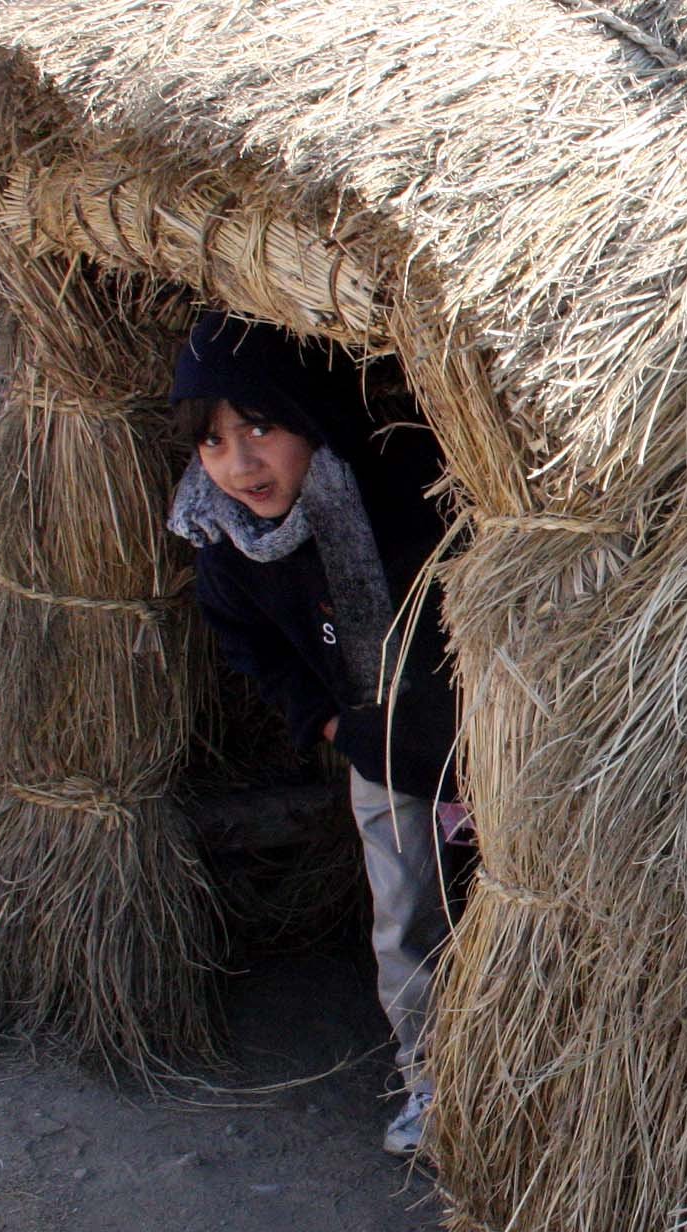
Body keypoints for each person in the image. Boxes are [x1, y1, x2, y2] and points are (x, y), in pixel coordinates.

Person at [166, 312, 460, 1157]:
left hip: (480, 720)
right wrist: (333, 723)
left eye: (261, 428)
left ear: (309, 417)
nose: (240, 463)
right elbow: (251, 649)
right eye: (215, 442)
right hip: (378, 739)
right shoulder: (222, 542)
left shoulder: (397, 485)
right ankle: (430, 1081)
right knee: (405, 912)